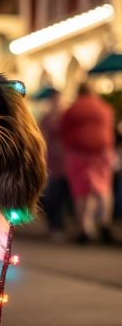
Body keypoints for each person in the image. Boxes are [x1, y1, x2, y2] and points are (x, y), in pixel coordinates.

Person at [61, 82, 116, 243]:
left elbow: (63, 129)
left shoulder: (73, 109)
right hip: (102, 151)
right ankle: (105, 225)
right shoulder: (104, 107)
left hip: (77, 152)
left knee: (81, 192)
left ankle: (83, 230)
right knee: (103, 188)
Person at [39, 89, 70, 241]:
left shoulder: (67, 117)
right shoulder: (46, 119)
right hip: (50, 162)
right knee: (51, 196)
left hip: (65, 163)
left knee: (62, 196)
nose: (58, 102)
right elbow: (40, 138)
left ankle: (59, 226)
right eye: (55, 99)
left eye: (60, 99)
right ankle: (54, 225)